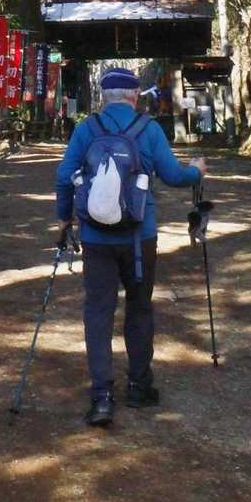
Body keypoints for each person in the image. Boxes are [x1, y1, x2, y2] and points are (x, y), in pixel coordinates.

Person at [55, 66, 206, 427]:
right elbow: (173, 176)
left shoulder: (86, 129)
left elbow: (63, 177)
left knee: (98, 312)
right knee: (139, 307)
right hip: (140, 238)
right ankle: (139, 386)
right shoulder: (149, 129)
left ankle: (102, 397)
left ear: (103, 97)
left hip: (95, 238)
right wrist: (197, 171)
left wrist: (64, 220)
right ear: (135, 96)